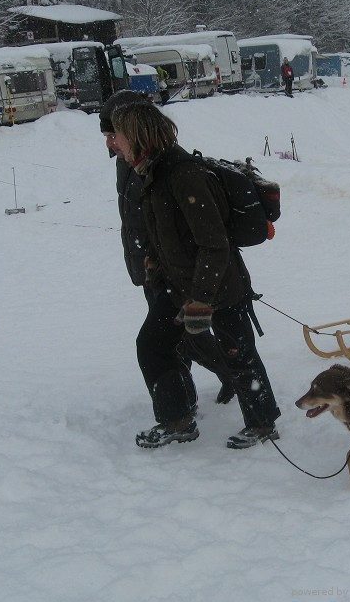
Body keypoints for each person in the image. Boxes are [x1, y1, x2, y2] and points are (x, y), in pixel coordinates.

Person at [110, 101, 281, 450]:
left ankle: (263, 424)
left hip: (219, 286)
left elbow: (214, 245)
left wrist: (202, 300)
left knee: (238, 353)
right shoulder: (152, 174)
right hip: (178, 285)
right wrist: (155, 261)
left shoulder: (184, 175)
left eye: (120, 137)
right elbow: (165, 230)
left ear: (139, 137)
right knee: (153, 345)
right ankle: (178, 420)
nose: (116, 145)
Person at [99, 92, 236, 407]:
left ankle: (226, 378)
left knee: (179, 338)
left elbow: (178, 224)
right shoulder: (130, 162)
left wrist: (159, 261)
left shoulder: (164, 165)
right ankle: (185, 395)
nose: (110, 143)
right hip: (153, 265)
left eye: (112, 134)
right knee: (173, 340)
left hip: (171, 269)